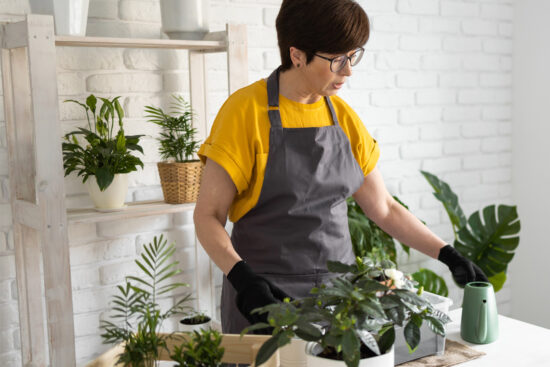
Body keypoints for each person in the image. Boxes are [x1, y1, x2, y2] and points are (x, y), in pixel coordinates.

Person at [193, 0, 487, 334]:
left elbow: (385, 209)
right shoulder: (243, 112)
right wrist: (241, 277)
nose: (348, 71)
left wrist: (447, 253)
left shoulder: (343, 118)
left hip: (341, 300)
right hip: (264, 298)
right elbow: (207, 216)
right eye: (337, 60)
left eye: (353, 56)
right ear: (297, 54)